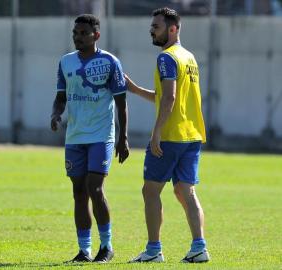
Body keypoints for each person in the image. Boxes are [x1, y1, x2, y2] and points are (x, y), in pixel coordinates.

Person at [126, 7, 210, 263]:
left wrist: (156, 133)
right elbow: (166, 96)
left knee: (150, 191)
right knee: (186, 190)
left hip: (171, 136)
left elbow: (170, 98)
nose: (152, 30)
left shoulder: (166, 58)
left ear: (172, 29)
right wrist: (135, 89)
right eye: (152, 26)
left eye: (157, 27)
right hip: (192, 135)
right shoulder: (189, 57)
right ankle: (199, 247)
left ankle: (153, 250)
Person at [50, 14, 129, 263]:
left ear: (96, 35)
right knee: (78, 192)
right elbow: (61, 96)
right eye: (75, 33)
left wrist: (122, 137)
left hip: (101, 135)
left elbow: (121, 103)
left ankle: (106, 246)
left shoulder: (109, 62)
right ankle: (84, 251)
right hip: (75, 136)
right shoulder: (66, 62)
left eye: (83, 33)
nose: (78, 37)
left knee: (95, 188)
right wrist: (56, 113)